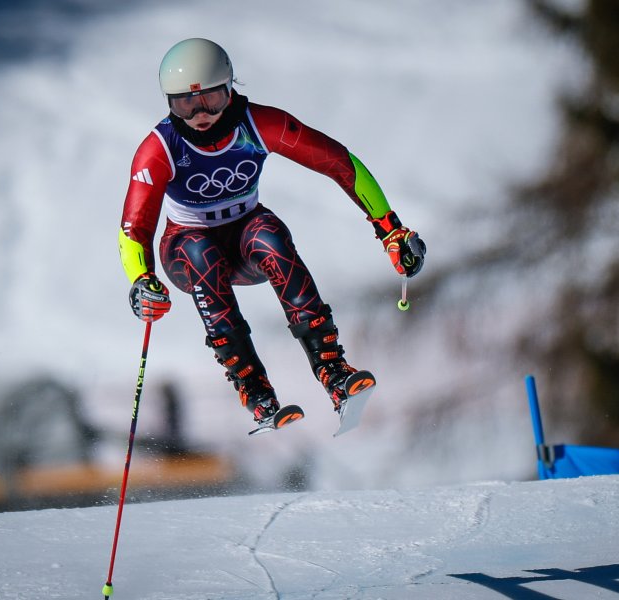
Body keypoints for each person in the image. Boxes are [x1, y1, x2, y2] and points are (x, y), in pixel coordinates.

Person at [119, 38, 425, 428]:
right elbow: (134, 227)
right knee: (200, 251)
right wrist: (142, 281)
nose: (200, 114)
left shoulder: (259, 124)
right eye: (185, 103)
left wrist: (390, 231)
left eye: (211, 99)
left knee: (269, 233)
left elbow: (339, 162)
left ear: (230, 88)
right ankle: (253, 387)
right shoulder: (160, 147)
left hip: (247, 241)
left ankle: (333, 371)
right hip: (184, 248)